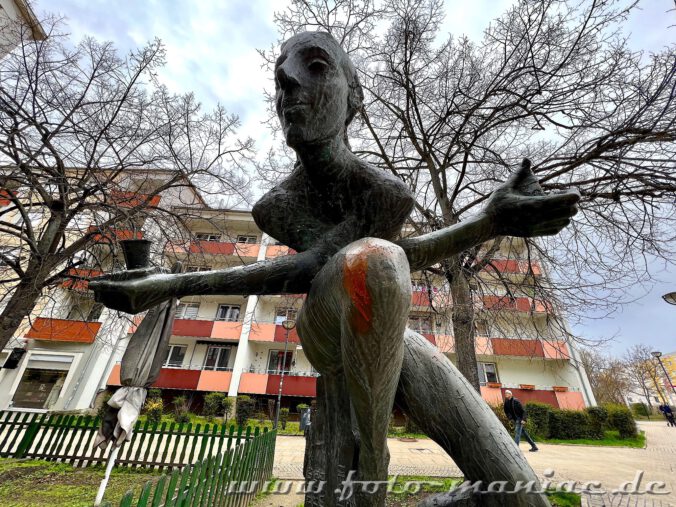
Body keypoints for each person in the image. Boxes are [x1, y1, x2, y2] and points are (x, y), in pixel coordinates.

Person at [91, 32, 579, 506]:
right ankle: (373, 456)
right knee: (374, 259)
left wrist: (490, 222)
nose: (287, 82)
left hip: (378, 320)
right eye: (279, 77)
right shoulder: (276, 206)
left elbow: (387, 261)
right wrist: (173, 285)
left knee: (518, 492)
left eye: (316, 66)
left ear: (354, 99)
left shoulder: (386, 193)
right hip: (324, 323)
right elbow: (313, 268)